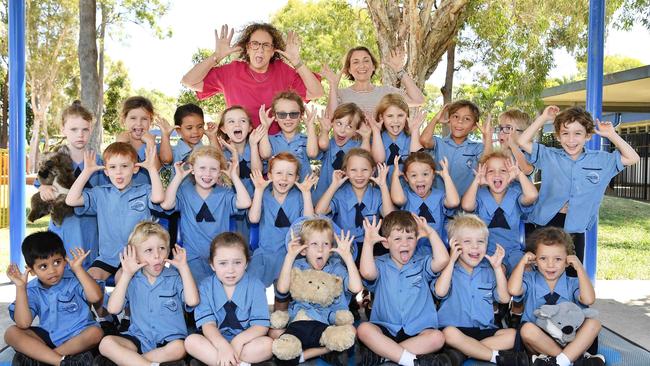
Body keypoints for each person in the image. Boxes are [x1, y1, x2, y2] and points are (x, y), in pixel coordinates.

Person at [517, 106, 640, 262]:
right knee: (540, 272)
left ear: (587, 136)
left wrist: (611, 134)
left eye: (577, 133)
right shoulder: (550, 155)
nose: (571, 140)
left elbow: (633, 158)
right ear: (558, 136)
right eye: (565, 133)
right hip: (544, 224)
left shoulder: (601, 160)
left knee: (573, 275)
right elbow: (522, 141)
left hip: (575, 228)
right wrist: (543, 118)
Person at [181, 23, 323, 134]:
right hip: (240, 145)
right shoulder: (232, 71)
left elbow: (317, 92)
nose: (260, 50)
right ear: (247, 48)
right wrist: (217, 56)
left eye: (266, 45)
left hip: (275, 148)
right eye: (255, 44)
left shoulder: (283, 71)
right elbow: (189, 81)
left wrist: (296, 61)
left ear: (273, 51)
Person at [96, 221, 199, 366]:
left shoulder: (175, 277)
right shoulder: (131, 279)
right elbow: (113, 309)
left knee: (180, 348)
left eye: (162, 248)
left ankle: (133, 361)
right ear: (135, 256)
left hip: (170, 341)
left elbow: (192, 301)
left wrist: (183, 267)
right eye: (149, 250)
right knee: (105, 343)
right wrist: (126, 274)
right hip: (139, 339)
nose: (157, 255)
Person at [356, 211, 450, 366]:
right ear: (386, 243)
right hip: (386, 328)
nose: (405, 244)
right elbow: (366, 272)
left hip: (418, 330)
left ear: (417, 240)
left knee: (438, 338)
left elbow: (442, 260)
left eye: (410, 238)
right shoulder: (379, 263)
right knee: (364, 329)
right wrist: (368, 242)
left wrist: (431, 233)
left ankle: (384, 356)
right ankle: (411, 360)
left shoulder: (421, 263)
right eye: (398, 239)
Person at [508, 227, 604, 366]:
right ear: (535, 260)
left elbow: (589, 299)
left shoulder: (572, 283)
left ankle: (560, 362)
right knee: (526, 330)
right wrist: (522, 263)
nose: (550, 264)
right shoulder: (530, 279)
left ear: (567, 262)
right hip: (541, 342)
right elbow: (513, 290)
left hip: (571, 338)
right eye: (543, 258)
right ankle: (571, 359)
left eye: (558, 259)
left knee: (594, 323)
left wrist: (580, 269)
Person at [4, 231, 103, 366]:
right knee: (11, 333)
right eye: (43, 266)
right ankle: (61, 362)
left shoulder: (75, 278)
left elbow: (96, 297)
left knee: (96, 332)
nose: (52, 271)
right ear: (31, 270)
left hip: (78, 336)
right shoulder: (31, 289)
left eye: (57, 262)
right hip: (49, 337)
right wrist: (21, 287)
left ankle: (44, 359)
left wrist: (78, 269)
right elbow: (23, 323)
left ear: (65, 260)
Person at [272, 218, 362, 364]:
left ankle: (305, 355)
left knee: (351, 331)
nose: (320, 249)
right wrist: (289, 257)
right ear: (304, 250)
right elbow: (282, 289)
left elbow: (356, 288)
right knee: (274, 333)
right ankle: (325, 352)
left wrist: (347, 257)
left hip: (327, 325)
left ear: (331, 248)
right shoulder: (298, 265)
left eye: (325, 244)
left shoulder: (336, 267)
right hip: (299, 324)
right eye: (314, 244)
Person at [159, 145, 252, 283]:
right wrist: (178, 177)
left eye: (213, 169)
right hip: (192, 257)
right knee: (192, 292)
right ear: (192, 169)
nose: (207, 174)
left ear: (220, 172)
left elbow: (245, 203)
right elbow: (167, 204)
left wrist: (234, 177)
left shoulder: (224, 194)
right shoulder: (185, 192)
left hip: (220, 256)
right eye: (202, 168)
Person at [434, 214, 516, 365]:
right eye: (467, 242)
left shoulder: (489, 271)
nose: (475, 247)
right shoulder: (446, 269)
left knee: (513, 335)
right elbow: (440, 292)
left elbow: (504, 299)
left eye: (480, 241)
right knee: (449, 334)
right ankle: (492, 355)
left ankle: (463, 353)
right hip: (455, 329)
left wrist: (497, 268)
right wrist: (451, 260)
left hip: (483, 331)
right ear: (454, 245)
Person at [185, 232, 273, 366]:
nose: (230, 270)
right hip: (215, 343)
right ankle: (239, 363)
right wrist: (223, 347)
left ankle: (225, 362)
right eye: (223, 263)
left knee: (268, 345)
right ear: (212, 265)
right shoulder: (205, 287)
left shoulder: (256, 286)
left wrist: (238, 342)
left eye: (237, 262)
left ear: (246, 263)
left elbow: (260, 326)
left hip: (245, 343)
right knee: (191, 341)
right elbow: (208, 325)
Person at [35, 100, 105, 266]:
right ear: (63, 129)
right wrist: (44, 188)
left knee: (89, 274)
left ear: (91, 130)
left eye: (85, 129)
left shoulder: (99, 162)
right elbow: (42, 185)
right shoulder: (52, 160)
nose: (80, 134)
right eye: (74, 129)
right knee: (60, 268)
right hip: (63, 228)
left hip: (90, 229)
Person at [247, 152, 318, 296]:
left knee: (284, 296)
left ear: (297, 178)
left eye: (290, 174)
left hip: (290, 255)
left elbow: (309, 223)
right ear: (270, 175)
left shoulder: (298, 197)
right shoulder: (263, 195)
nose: (284, 178)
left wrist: (306, 193)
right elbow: (253, 219)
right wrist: (259, 190)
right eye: (279, 173)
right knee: (251, 287)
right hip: (265, 254)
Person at [461, 150, 538, 275]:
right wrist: (476, 181)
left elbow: (532, 195)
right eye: (491, 171)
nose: (497, 174)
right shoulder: (480, 195)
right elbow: (466, 205)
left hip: (513, 251)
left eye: (503, 170)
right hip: (487, 251)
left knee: (526, 270)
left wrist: (519, 174)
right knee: (492, 273)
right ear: (484, 176)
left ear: (510, 175)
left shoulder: (516, 194)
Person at [315, 148, 394, 260]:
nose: (359, 175)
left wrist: (383, 186)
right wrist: (334, 186)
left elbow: (390, 216)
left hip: (372, 245)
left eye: (365, 170)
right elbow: (319, 212)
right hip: (346, 246)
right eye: (353, 170)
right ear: (345, 171)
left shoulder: (377, 194)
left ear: (373, 171)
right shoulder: (340, 194)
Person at [391, 151, 460, 256]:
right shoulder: (405, 195)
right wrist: (395, 176)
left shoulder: (440, 195)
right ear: (406, 178)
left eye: (425, 174)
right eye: (413, 175)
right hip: (410, 253)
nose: (420, 179)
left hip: (437, 252)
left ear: (433, 175)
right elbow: (398, 200)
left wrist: (446, 176)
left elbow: (454, 202)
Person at [323, 46, 425, 115]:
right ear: (349, 69)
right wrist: (333, 85)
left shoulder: (386, 92)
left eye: (366, 60)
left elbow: (418, 100)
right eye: (355, 62)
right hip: (351, 147)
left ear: (373, 66)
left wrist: (399, 70)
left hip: (380, 146)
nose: (362, 65)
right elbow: (330, 118)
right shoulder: (340, 94)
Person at [419, 100, 492, 196]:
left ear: (473, 127)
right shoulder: (439, 143)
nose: (460, 121)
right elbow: (424, 140)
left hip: (466, 206)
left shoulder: (477, 148)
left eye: (466, 119)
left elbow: (487, 163)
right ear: (449, 121)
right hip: (439, 204)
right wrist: (436, 119)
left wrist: (487, 136)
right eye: (456, 116)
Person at [312, 102, 371, 202]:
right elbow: (322, 144)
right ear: (332, 123)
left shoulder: (357, 146)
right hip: (322, 198)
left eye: (349, 126)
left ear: (355, 131)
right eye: (339, 123)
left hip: (345, 202)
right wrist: (325, 131)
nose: (342, 130)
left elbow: (364, 158)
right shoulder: (328, 143)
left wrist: (366, 137)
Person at [258, 91, 319, 182]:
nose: (288, 118)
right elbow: (265, 154)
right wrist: (265, 127)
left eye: (293, 114)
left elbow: (312, 154)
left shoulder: (307, 140)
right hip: (276, 192)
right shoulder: (270, 140)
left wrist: (310, 126)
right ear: (275, 116)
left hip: (302, 193)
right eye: (282, 114)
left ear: (301, 115)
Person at [368, 93, 425, 184]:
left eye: (400, 115)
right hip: (381, 193)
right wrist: (376, 132)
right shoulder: (375, 140)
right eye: (390, 116)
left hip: (407, 194)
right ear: (381, 117)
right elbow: (379, 160)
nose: (395, 121)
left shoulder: (412, 140)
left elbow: (418, 162)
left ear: (407, 116)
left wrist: (414, 131)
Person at [115, 96, 162, 185]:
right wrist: (119, 145)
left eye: (144, 119)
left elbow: (159, 174)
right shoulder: (119, 142)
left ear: (150, 121)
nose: (139, 123)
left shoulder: (157, 146)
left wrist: (150, 144)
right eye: (133, 118)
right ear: (124, 120)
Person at [158, 103, 218, 168]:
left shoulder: (207, 150)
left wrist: (212, 136)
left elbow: (219, 159)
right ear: (179, 130)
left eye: (200, 126)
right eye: (189, 128)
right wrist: (165, 135)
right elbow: (166, 160)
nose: (195, 131)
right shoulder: (173, 151)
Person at [496, 109, 534, 175]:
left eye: (508, 128)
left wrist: (513, 146)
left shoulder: (528, 152)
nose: (501, 132)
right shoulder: (499, 153)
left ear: (523, 133)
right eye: (500, 128)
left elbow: (526, 170)